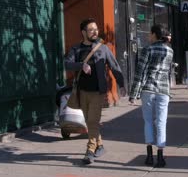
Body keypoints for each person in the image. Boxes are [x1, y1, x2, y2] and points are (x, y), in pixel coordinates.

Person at [65, 18, 127, 165]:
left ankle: (90, 151)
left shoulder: (103, 48)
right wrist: (81, 65)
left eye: (96, 29)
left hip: (98, 92)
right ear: (83, 32)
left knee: (93, 121)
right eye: (91, 29)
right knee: (89, 122)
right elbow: (67, 64)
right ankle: (100, 146)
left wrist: (121, 84)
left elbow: (114, 66)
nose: (95, 32)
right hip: (82, 92)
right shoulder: (76, 49)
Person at [129, 24, 174, 168]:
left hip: (148, 89)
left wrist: (133, 94)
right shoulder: (170, 51)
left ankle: (149, 156)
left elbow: (140, 72)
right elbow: (167, 72)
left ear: (154, 35)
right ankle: (160, 156)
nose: (149, 36)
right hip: (163, 90)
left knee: (148, 121)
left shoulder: (147, 49)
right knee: (161, 122)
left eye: (150, 34)